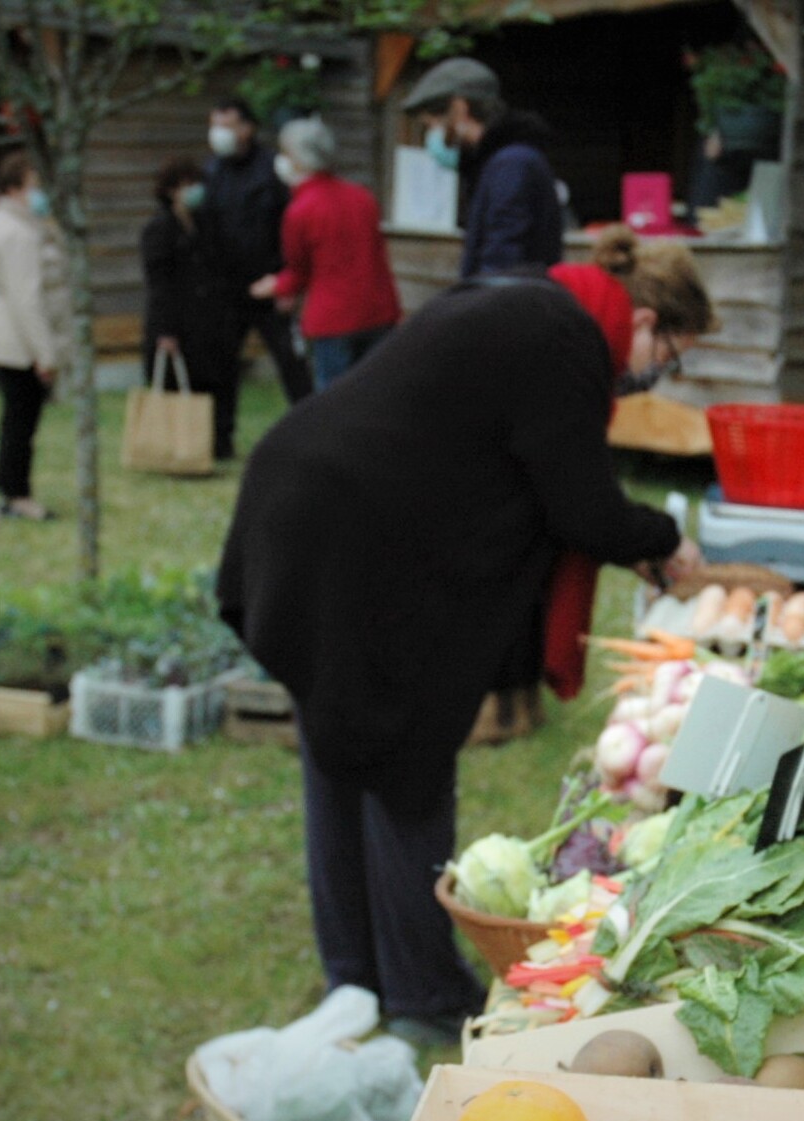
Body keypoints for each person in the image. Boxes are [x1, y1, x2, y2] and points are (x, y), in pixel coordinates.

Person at [217, 226, 712, 1044]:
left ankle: (359, 981)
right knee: (403, 758)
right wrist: (663, 539)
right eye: (671, 352)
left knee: (340, 757)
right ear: (648, 317)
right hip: (343, 538)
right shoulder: (566, 339)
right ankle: (419, 995)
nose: (656, 372)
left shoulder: (528, 302)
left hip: (309, 511)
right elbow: (579, 502)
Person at [250, 118, 400, 387]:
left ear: (297, 158)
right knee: (377, 395)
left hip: (333, 320)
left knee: (334, 404)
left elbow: (299, 270)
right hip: (379, 311)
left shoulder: (301, 210)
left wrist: (277, 286)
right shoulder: (361, 197)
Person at [205, 96, 313, 455]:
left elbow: (292, 224)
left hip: (270, 286)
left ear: (247, 128)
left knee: (292, 364)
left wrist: (289, 281)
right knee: (221, 366)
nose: (220, 133)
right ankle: (220, 440)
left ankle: (310, 432)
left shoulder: (272, 170)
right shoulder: (212, 172)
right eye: (215, 124)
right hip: (228, 289)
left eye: (228, 124)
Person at [402, 57, 562, 279]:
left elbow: (502, 258)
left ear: (459, 109)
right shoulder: (496, 163)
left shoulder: (511, 164)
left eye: (433, 124)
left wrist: (479, 306)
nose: (433, 134)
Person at [0, 150, 69, 521]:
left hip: (12, 341)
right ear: (14, 188)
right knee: (20, 422)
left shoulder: (13, 223)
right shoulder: (17, 232)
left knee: (17, 419)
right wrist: (45, 354)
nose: (40, 193)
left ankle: (11, 488)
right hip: (19, 344)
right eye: (34, 186)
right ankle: (17, 494)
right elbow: (27, 299)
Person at [140, 156, 237, 410]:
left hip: (207, 324)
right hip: (177, 324)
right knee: (178, 391)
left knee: (214, 386)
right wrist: (165, 330)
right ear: (171, 190)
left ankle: (219, 441)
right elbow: (159, 283)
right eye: (187, 184)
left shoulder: (205, 225)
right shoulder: (160, 229)